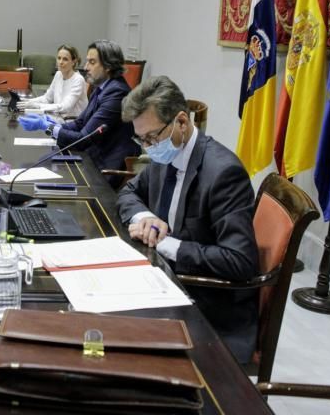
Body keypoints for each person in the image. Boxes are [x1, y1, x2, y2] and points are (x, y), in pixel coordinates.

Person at [116, 75, 259, 363]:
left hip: (208, 304)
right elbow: (129, 191)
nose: (147, 148)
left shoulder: (222, 173)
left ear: (182, 122)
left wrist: (168, 244)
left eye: (152, 138)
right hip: (163, 279)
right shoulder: (165, 156)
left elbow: (240, 261)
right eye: (140, 139)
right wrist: (145, 217)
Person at [18, 39, 139, 188]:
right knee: (40, 167)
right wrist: (51, 124)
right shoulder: (102, 86)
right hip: (90, 157)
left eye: (92, 62)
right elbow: (80, 123)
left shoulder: (117, 93)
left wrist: (47, 127)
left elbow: (84, 139)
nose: (86, 67)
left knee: (45, 179)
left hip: (104, 168)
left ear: (108, 66)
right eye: (87, 61)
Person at [18, 44, 88, 119]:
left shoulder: (78, 80)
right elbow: (47, 98)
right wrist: (28, 101)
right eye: (59, 58)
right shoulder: (58, 74)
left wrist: (37, 106)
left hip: (73, 122)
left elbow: (65, 107)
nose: (61, 62)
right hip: (58, 117)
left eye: (65, 59)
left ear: (73, 62)